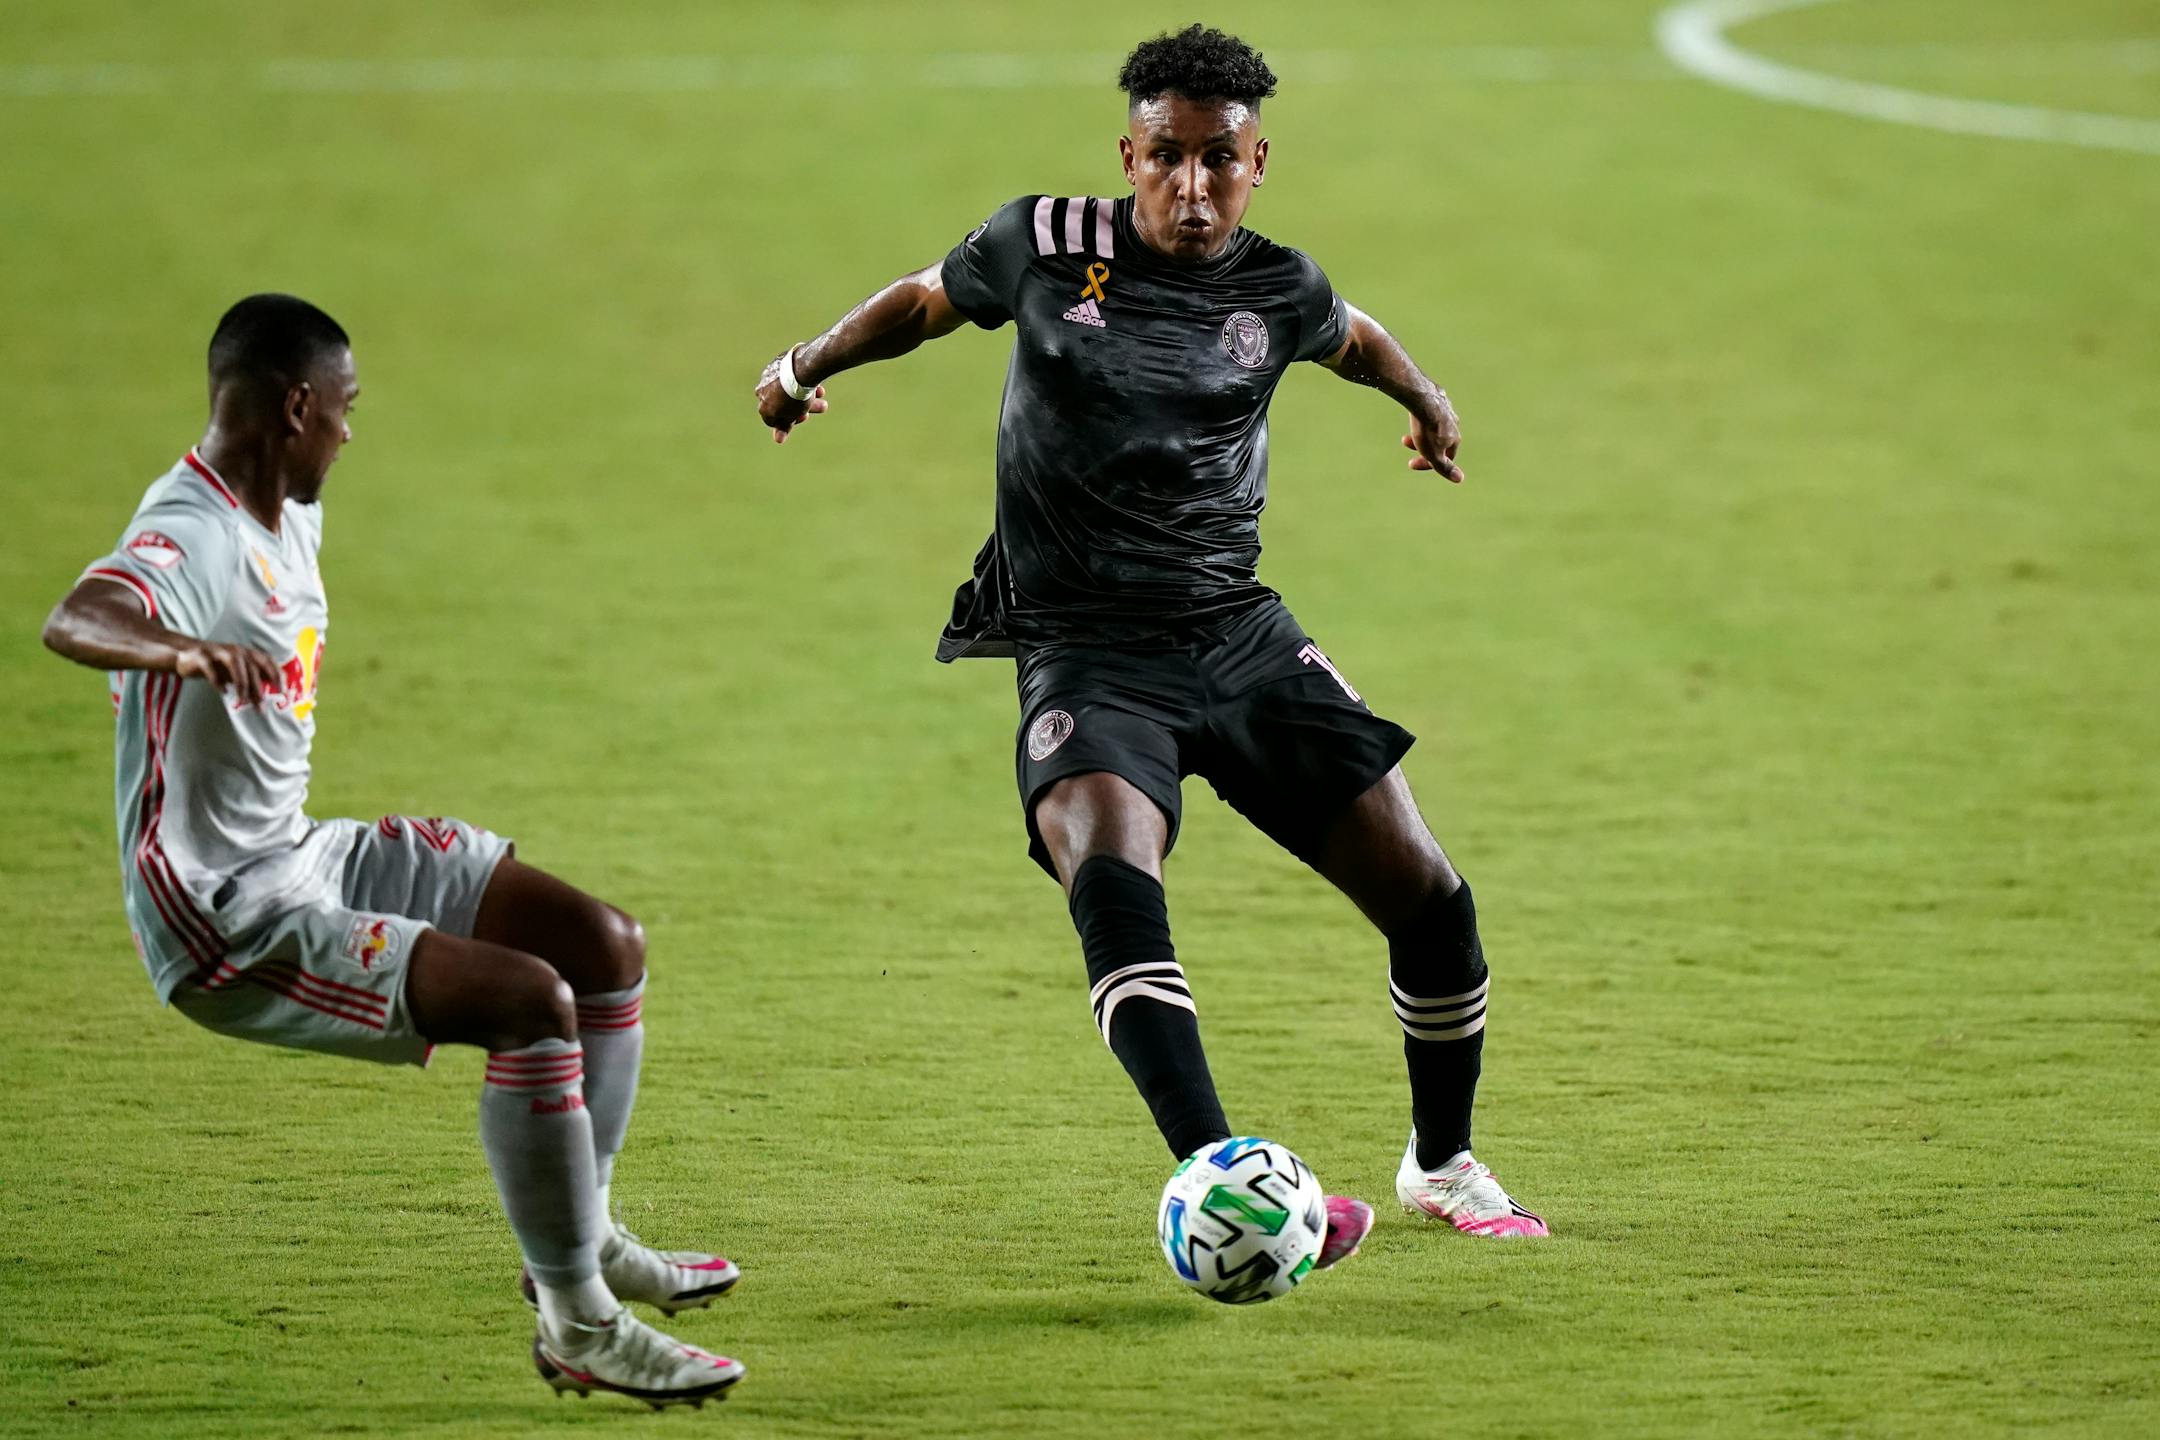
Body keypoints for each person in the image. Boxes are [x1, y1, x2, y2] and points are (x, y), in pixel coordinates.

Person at [754, 25, 1547, 1248]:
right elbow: (923, 300)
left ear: (1258, 160)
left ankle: (1442, 1163)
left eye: (1219, 160)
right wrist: (806, 363)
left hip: (1236, 632)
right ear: (1127, 153)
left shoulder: (1278, 287)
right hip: (1082, 646)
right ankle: (1226, 1176)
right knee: (1116, 891)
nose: (1191, 186)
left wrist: (1428, 401)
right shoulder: (1042, 244)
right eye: (1166, 157)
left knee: (1433, 904)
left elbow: (1354, 335)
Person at [43, 294, 747, 1408]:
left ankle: (583, 1238)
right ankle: (580, 1323)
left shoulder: (287, 503)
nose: (350, 432)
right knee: (529, 1003)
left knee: (602, 947)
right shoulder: (196, 532)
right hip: (225, 913)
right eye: (344, 410)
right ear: (295, 406)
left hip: (303, 852)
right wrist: (177, 651)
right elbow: (77, 615)